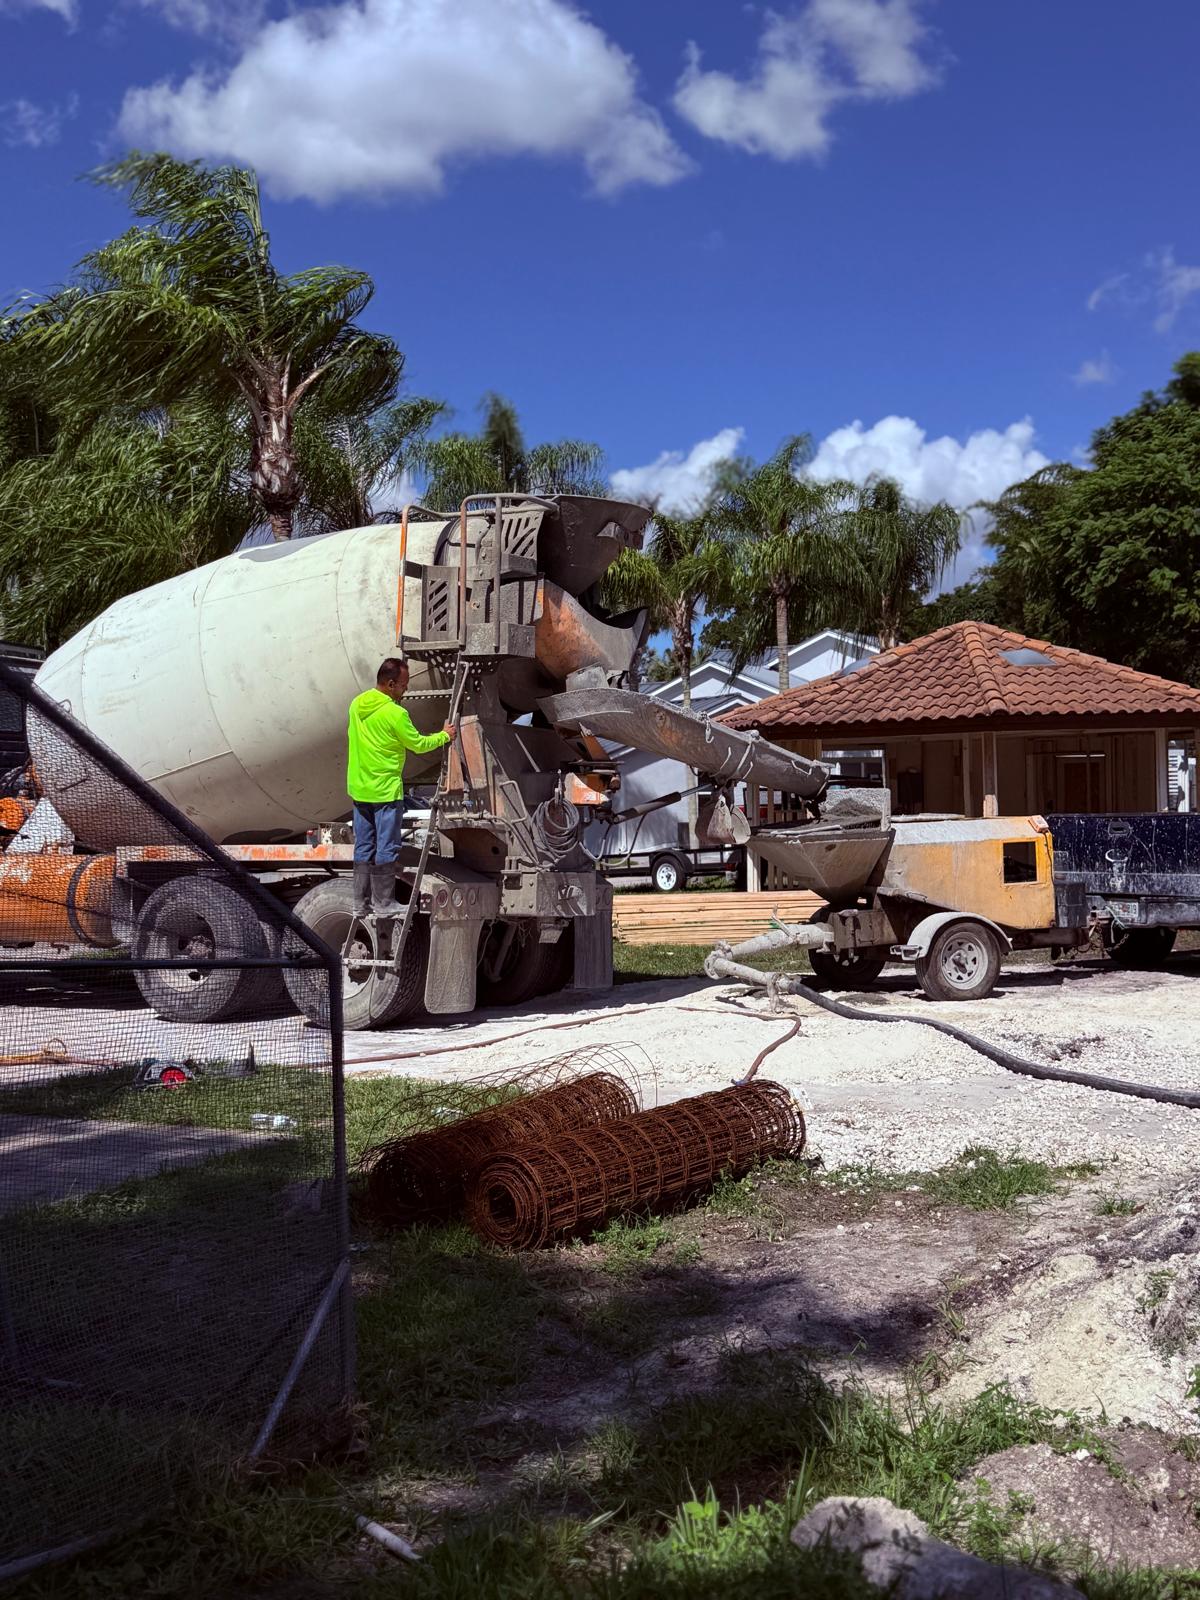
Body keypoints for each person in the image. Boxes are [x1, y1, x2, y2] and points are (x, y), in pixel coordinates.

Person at [347, 657, 456, 918]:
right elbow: (417, 744)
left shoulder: (357, 704)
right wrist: (445, 736)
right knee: (386, 847)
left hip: (360, 789)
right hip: (385, 791)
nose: (406, 690)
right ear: (391, 683)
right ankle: (384, 903)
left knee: (363, 847)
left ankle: (359, 904)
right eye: (404, 686)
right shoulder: (395, 713)